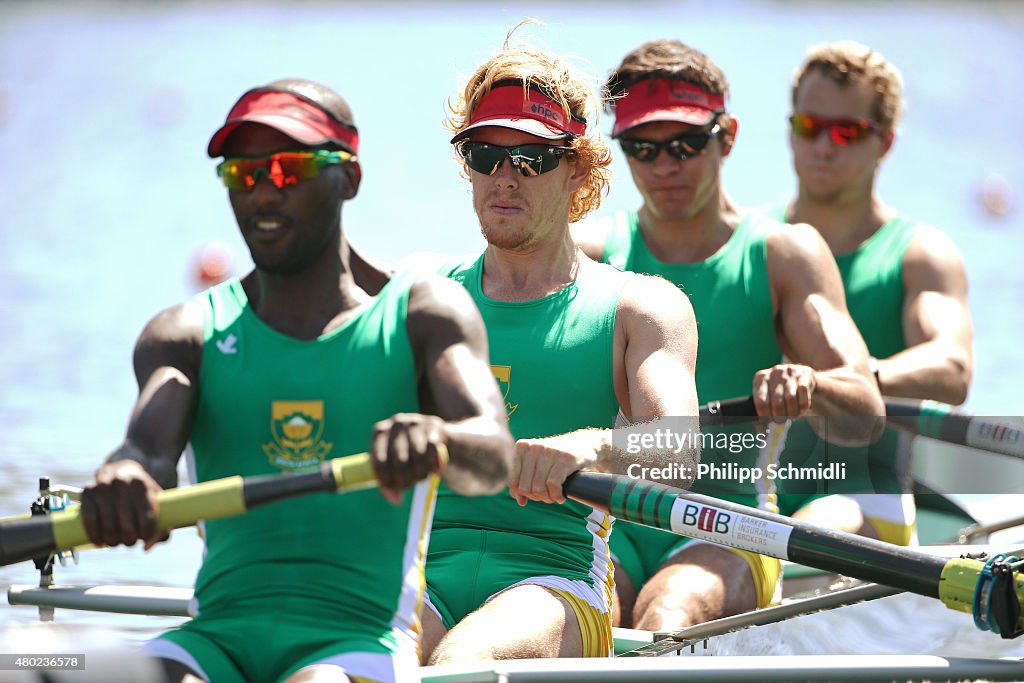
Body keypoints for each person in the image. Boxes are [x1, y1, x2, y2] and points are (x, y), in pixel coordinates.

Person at [80, 78, 514, 683]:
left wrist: (436, 436)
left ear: (350, 178)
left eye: (289, 169)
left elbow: (492, 456)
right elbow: (145, 454)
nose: (262, 192)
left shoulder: (421, 315)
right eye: (242, 173)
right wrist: (121, 481)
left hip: (356, 638)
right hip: (217, 636)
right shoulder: (185, 334)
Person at [572, 39, 885, 631]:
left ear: (729, 136)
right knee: (596, 620)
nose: (664, 165)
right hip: (611, 520)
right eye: (642, 147)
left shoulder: (781, 254)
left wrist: (811, 384)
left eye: (686, 144)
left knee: (669, 613)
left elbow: (865, 412)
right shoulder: (589, 256)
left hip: (730, 519)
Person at [419, 36, 701, 664]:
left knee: (458, 666)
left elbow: (679, 450)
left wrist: (593, 445)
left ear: (578, 167)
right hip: (423, 575)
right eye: (486, 153)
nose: (505, 176)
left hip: (557, 579)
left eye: (532, 157)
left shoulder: (641, 307)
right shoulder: (424, 304)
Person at [774, 42, 974, 545]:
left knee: (807, 531)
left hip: (863, 496)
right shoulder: (752, 242)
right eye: (809, 126)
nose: (824, 145)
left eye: (848, 131)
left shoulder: (918, 253)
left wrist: (850, 382)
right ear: (791, 129)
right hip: (753, 490)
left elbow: (953, 368)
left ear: (884, 143)